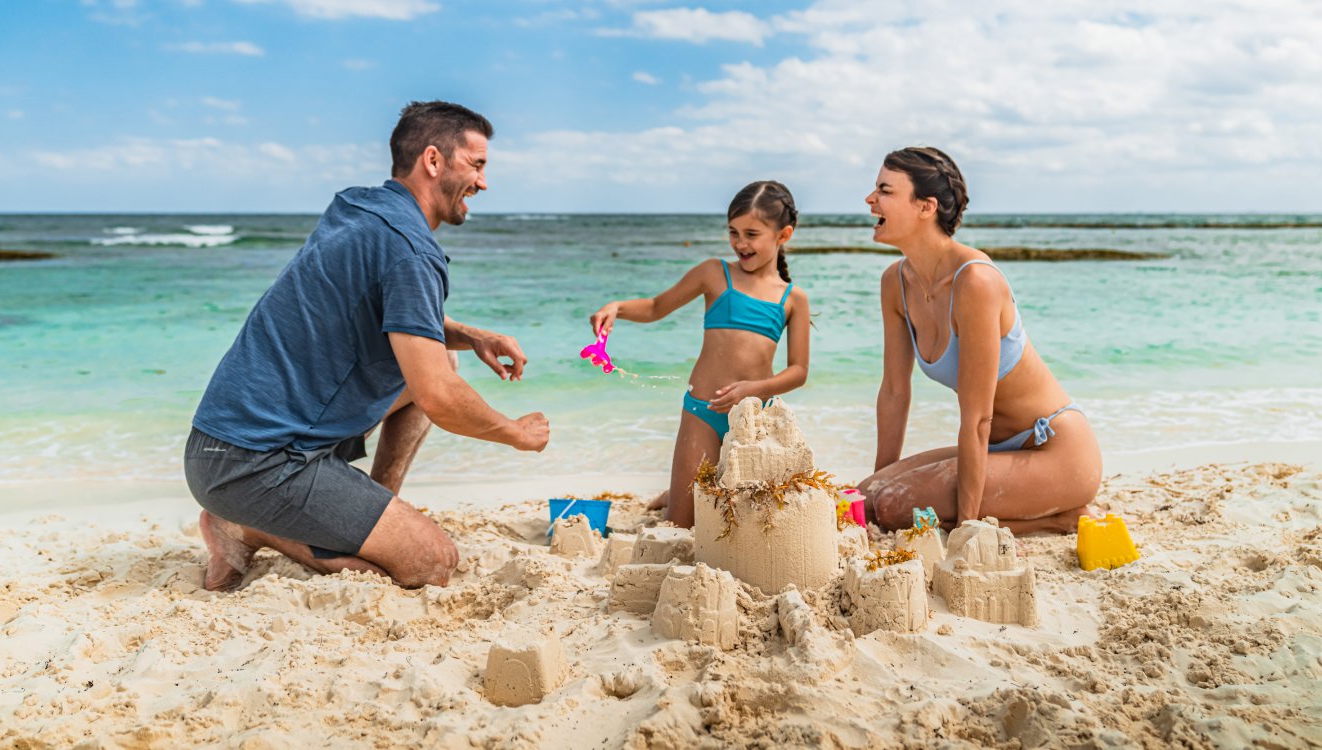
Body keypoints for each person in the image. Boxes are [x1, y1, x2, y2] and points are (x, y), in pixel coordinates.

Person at [184, 100, 549, 592]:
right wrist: (514, 433)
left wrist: (471, 334)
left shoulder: (360, 207)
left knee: (440, 350)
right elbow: (439, 398)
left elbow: (377, 306)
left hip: (216, 450)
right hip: (257, 465)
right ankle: (244, 526)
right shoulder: (410, 250)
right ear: (434, 160)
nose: (483, 183)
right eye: (477, 165)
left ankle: (369, 507)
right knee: (431, 563)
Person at [857, 147, 1100, 534]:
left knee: (892, 507)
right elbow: (894, 393)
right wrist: (872, 491)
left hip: (1055, 451)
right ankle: (1021, 510)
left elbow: (978, 418)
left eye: (884, 190)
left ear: (926, 207)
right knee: (870, 495)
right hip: (995, 451)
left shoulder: (976, 282)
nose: (870, 199)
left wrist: (968, 525)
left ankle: (1061, 517)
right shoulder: (895, 283)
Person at [590, 181, 811, 528]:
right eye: (733, 232)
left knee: (746, 523)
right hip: (703, 412)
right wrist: (617, 307)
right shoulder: (714, 274)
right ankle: (676, 494)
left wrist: (753, 389)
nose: (740, 243)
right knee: (680, 524)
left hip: (755, 420)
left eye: (752, 234)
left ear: (783, 235)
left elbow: (798, 371)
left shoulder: (792, 299)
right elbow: (655, 307)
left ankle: (678, 489)